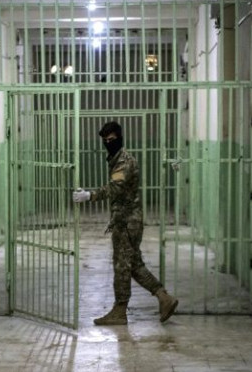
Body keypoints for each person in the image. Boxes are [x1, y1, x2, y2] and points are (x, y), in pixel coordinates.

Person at [73, 121, 178, 325]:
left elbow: (116, 188)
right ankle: (164, 298)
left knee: (122, 266)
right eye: (104, 140)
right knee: (133, 264)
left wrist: (90, 195)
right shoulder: (116, 159)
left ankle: (120, 310)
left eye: (111, 139)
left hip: (128, 222)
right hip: (126, 220)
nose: (107, 143)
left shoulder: (124, 161)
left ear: (120, 138)